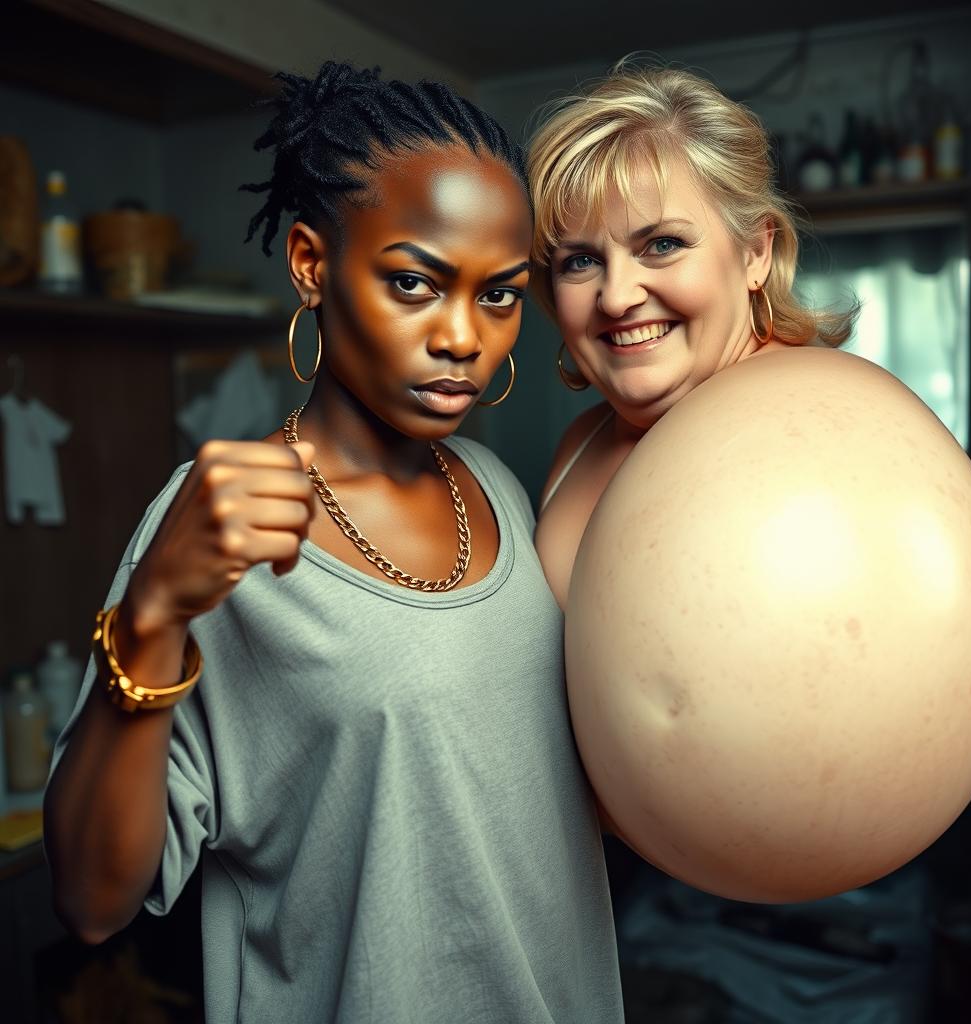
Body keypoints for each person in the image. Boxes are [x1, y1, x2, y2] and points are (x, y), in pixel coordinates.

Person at [44, 61, 624, 1024]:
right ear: (312, 264)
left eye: (500, 296)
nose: (463, 338)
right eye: (414, 282)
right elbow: (93, 904)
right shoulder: (215, 523)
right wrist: (150, 614)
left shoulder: (500, 491)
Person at [527, 60, 857, 609]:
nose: (616, 296)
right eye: (581, 260)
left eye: (661, 245)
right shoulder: (582, 440)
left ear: (755, 251)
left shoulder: (813, 418)